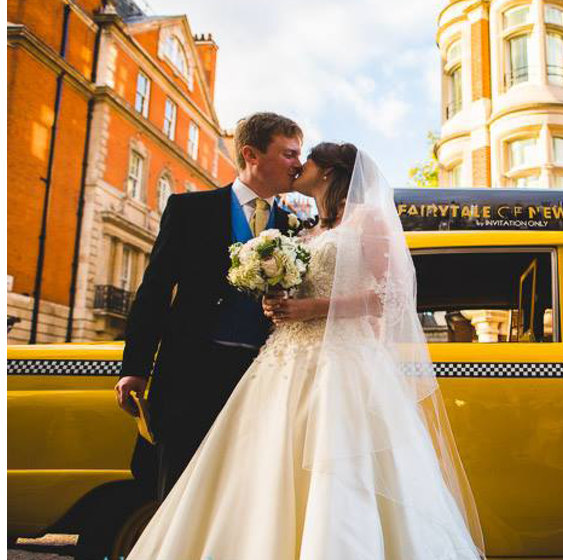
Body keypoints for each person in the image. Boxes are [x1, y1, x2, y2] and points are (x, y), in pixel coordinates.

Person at [124, 143, 487, 559]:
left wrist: (312, 308)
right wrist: (275, 299)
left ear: (329, 171)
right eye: (292, 154)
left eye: (306, 158)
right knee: (267, 467)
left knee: (340, 470)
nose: (298, 165)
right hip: (284, 361)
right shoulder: (305, 229)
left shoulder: (367, 218)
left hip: (342, 365)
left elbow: (391, 296)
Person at [113, 112, 304, 500]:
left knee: (244, 494)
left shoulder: (295, 226)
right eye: (288, 154)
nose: (298, 164)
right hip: (189, 374)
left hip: (261, 378)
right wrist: (136, 368)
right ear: (251, 154)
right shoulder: (190, 210)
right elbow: (155, 290)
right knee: (180, 488)